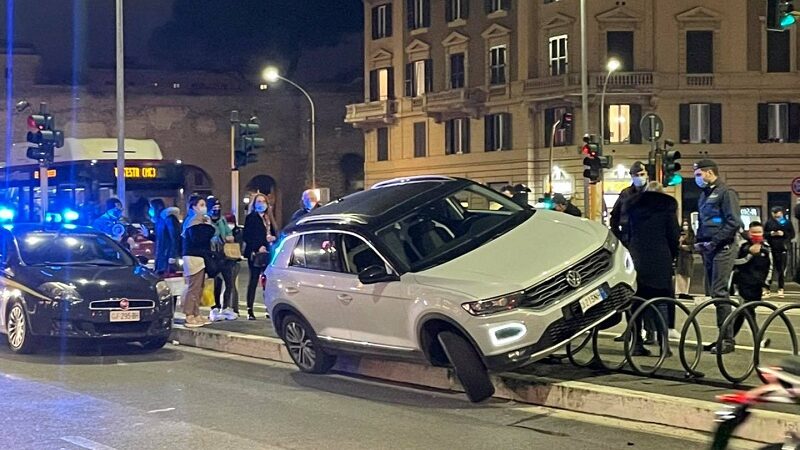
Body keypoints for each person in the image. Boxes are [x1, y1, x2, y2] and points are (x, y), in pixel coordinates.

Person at [625, 181, 680, 356]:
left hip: (636, 255)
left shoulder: (634, 206)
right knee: (661, 300)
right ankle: (664, 345)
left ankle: (636, 343)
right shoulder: (666, 208)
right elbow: (673, 234)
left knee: (635, 301)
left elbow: (626, 230)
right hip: (659, 256)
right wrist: (672, 255)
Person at [693, 159, 742, 355]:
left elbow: (733, 222)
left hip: (723, 247)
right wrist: (699, 241)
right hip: (709, 248)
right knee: (715, 293)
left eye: (698, 174)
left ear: (709, 172)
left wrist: (713, 243)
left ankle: (727, 340)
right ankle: (722, 337)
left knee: (720, 292)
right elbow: (704, 222)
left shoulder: (725, 193)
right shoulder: (705, 195)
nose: (696, 178)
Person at [731, 221, 773, 339]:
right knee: (747, 311)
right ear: (749, 233)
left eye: (759, 232)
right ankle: (758, 339)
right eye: (754, 232)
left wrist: (766, 284)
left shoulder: (766, 248)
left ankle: (727, 338)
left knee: (741, 314)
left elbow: (770, 267)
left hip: (757, 286)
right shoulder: (743, 246)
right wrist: (749, 254)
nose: (756, 235)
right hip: (742, 285)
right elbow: (734, 263)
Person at [181, 195, 216, 328]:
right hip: (194, 257)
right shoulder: (194, 221)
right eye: (201, 205)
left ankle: (196, 313)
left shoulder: (200, 220)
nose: (204, 207)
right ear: (194, 207)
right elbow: (199, 239)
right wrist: (208, 227)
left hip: (198, 257)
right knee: (194, 287)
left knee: (199, 287)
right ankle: (189, 314)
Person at [243, 193, 277, 321]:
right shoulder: (251, 218)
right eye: (258, 202)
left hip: (269, 251)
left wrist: (273, 238)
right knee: (253, 280)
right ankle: (249, 309)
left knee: (267, 281)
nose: (261, 204)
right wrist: (258, 246)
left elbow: (275, 232)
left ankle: (268, 307)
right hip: (256, 252)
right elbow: (247, 235)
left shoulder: (270, 218)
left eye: (263, 201)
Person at [610, 161, 648, 246]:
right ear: (632, 176)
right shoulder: (625, 194)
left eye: (642, 174)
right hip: (628, 240)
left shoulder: (653, 193)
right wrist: (618, 236)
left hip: (648, 242)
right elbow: (614, 216)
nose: (639, 177)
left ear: (647, 175)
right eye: (636, 175)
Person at [764, 206, 795, 298]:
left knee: (780, 269)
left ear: (781, 213)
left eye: (778, 215)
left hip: (782, 248)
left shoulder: (786, 222)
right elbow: (764, 233)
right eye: (774, 215)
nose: (776, 217)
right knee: (769, 268)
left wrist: (784, 234)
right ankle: (766, 288)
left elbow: (792, 234)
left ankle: (781, 288)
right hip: (771, 247)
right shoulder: (769, 222)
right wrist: (771, 234)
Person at [151, 199, 181, 276]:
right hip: (161, 260)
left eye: (151, 207)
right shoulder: (159, 220)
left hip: (167, 258)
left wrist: (172, 256)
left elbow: (175, 238)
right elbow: (160, 239)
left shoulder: (169, 218)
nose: (150, 210)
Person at [675, 219, 696, 301]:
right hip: (680, 256)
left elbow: (693, 246)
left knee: (687, 274)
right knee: (680, 274)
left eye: (686, 224)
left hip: (688, 257)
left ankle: (685, 291)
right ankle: (680, 291)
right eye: (684, 224)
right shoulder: (679, 234)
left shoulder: (691, 235)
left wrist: (686, 247)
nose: (685, 226)